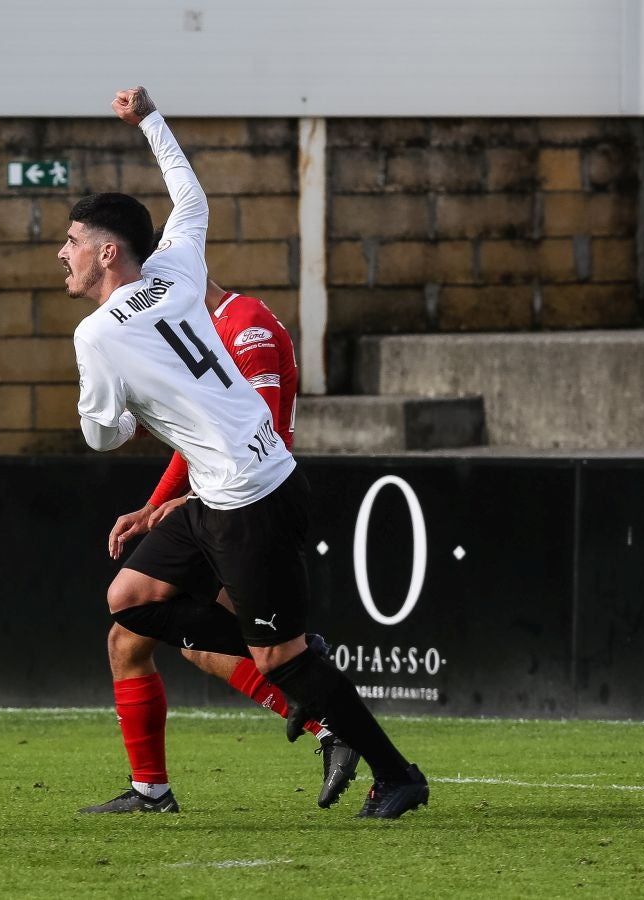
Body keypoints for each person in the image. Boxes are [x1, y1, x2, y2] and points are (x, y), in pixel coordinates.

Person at [62, 87, 428, 819]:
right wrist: (151, 122)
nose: (60, 256)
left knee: (280, 659)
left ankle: (396, 773)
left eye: (70, 243)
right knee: (128, 600)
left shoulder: (97, 334)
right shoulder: (178, 268)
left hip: (248, 497)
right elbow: (189, 191)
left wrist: (127, 418)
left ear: (107, 253)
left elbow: (100, 434)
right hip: (227, 489)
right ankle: (293, 663)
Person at [85, 275, 360, 813]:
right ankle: (151, 790)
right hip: (216, 503)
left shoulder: (246, 324)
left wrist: (189, 501)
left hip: (246, 506)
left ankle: (331, 717)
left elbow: (259, 435)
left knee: (239, 643)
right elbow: (198, 438)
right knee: (137, 638)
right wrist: (154, 504)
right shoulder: (197, 329)